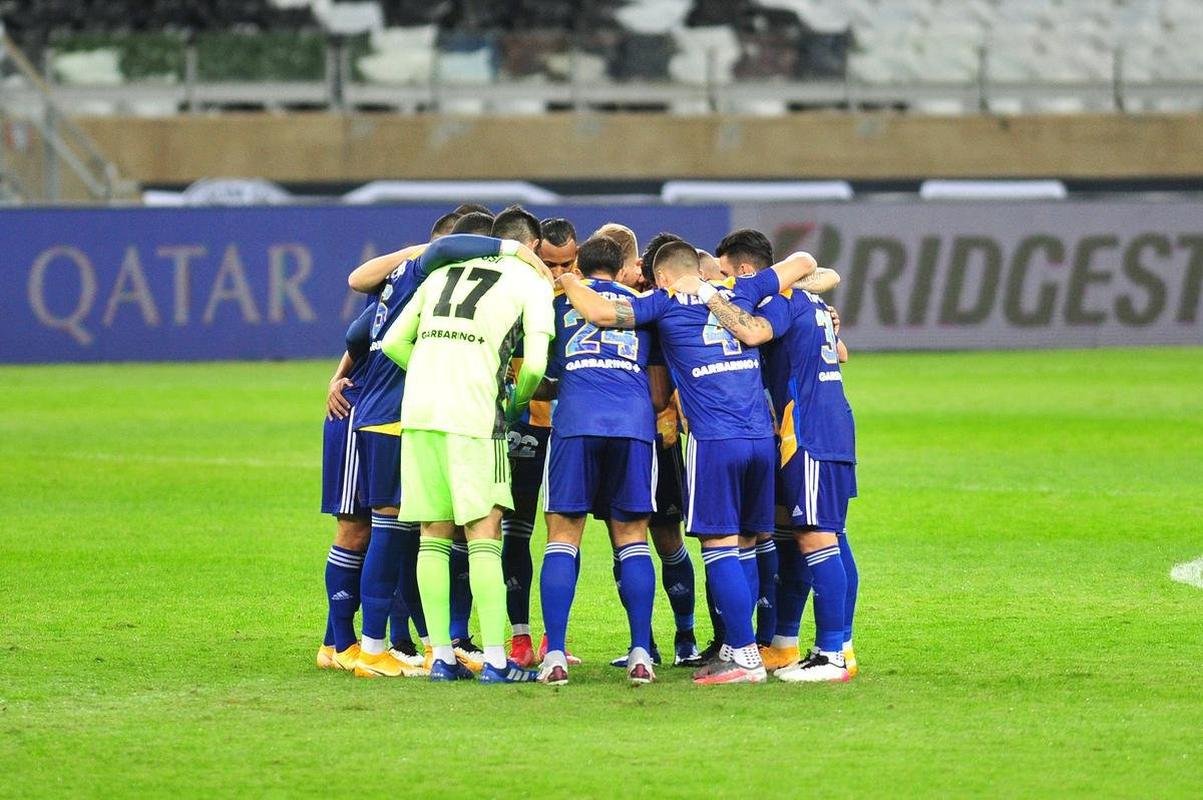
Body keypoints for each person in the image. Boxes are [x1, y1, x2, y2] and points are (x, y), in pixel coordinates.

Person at [559, 242, 819, 684]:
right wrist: (719, 289)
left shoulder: (660, 303)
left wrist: (565, 279)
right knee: (748, 544)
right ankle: (752, 645)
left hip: (714, 440)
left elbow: (602, 315)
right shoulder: (742, 289)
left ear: (662, 278)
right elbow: (807, 263)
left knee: (719, 547)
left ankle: (743, 658)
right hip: (761, 437)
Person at [345, 222, 541, 679]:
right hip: (474, 417)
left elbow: (391, 341)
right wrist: (512, 400)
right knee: (484, 534)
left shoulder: (437, 277)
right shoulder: (528, 280)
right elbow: (531, 366)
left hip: (419, 415)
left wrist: (429, 371)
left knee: (432, 536)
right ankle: (496, 661)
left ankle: (442, 660)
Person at [676, 255, 858, 683]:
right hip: (818, 425)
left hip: (807, 428)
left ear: (746, 273)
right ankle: (806, 645)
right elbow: (840, 345)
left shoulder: (782, 298)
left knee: (818, 535)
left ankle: (833, 652)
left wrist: (704, 294)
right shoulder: (806, 298)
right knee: (812, 533)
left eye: (719, 276)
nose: (719, 287)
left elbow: (752, 330)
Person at [535, 236, 668, 686]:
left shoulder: (557, 303)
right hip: (633, 427)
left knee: (562, 536)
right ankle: (640, 654)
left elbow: (541, 374)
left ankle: (553, 654)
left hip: (574, 423)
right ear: (623, 268)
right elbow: (658, 389)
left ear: (580, 264)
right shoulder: (645, 307)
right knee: (631, 538)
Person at [503, 216, 579, 668]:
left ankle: (556, 637)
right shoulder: (513, 296)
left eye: (569, 262)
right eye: (551, 264)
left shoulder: (583, 298)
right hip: (524, 426)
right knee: (517, 531)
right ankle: (519, 636)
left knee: (563, 537)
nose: (560, 272)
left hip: (568, 432)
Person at [315, 310, 374, 671]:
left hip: (393, 416)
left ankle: (331, 642)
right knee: (356, 529)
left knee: (387, 532)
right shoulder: (410, 281)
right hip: (359, 411)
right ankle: (342, 644)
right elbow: (357, 333)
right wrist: (338, 378)